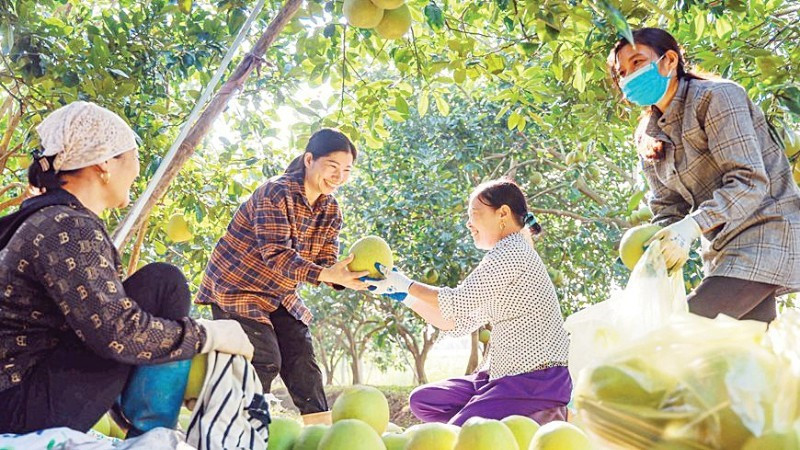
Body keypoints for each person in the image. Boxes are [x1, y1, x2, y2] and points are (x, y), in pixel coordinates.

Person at [0, 101, 253, 435]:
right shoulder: (68, 227)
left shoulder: (47, 217)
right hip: (22, 410)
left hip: (20, 395)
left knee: (159, 284)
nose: (137, 170)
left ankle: (140, 416)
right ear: (105, 162)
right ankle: (150, 431)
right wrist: (208, 334)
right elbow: (115, 332)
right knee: (165, 284)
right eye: (134, 156)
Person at [608, 28, 800, 322]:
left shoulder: (716, 97)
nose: (629, 75)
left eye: (637, 62)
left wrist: (690, 228)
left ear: (669, 60)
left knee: (682, 331)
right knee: (738, 358)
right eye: (622, 72)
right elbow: (668, 206)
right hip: (724, 253)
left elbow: (749, 182)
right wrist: (660, 246)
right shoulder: (648, 135)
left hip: (768, 234)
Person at [365, 178, 571, 426]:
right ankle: (492, 424)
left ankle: (495, 424)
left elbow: (459, 300)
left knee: (456, 437)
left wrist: (405, 283)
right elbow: (456, 322)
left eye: (474, 214)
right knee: (423, 400)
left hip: (533, 381)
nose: (468, 223)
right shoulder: (505, 255)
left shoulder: (513, 251)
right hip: (499, 376)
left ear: (502, 213)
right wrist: (406, 296)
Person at [196, 129, 368, 425]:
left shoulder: (331, 210)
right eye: (332, 167)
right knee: (263, 359)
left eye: (347, 170)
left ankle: (321, 436)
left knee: (303, 362)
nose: (339, 176)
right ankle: (232, 431)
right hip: (236, 288)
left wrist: (349, 277)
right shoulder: (276, 192)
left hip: (278, 294)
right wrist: (325, 272)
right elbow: (276, 255)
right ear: (309, 159)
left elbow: (325, 263)